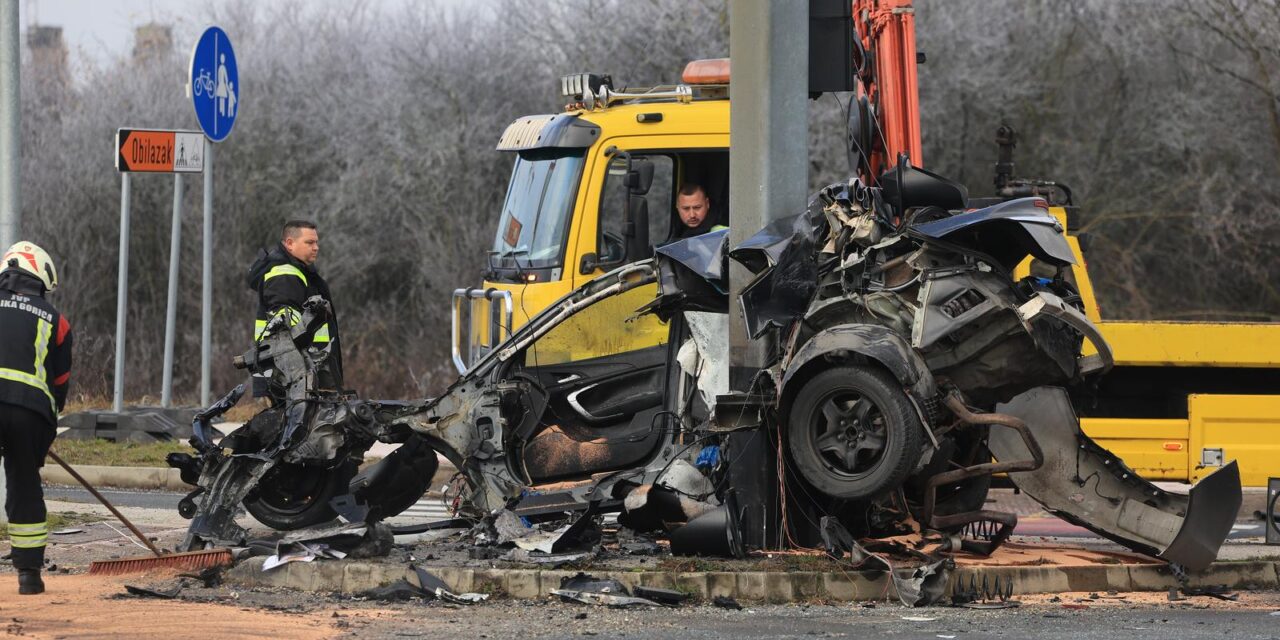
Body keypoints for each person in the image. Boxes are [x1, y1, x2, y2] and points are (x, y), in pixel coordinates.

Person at [0, 241, 72, 595]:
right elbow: (59, 385)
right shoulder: (57, 321)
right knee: (24, 485)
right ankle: (29, 575)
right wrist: (42, 434)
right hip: (30, 410)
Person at [246, 220, 343, 398]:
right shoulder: (285, 274)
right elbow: (286, 334)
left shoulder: (299, 272)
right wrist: (301, 381)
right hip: (290, 378)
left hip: (297, 377)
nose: (316, 247)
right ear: (290, 243)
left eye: (316, 242)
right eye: (309, 242)